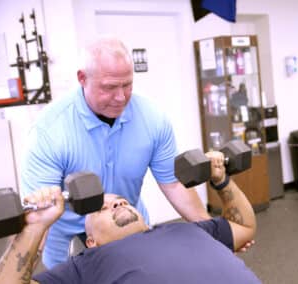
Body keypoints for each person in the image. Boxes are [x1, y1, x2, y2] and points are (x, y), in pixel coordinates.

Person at [19, 36, 211, 268]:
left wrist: (214, 237)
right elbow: (40, 217)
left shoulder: (152, 118)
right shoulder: (48, 131)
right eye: (109, 87)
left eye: (127, 85)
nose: (121, 97)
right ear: (82, 78)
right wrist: (20, 271)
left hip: (131, 235)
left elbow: (173, 184)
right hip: (71, 249)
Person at [0, 152, 260, 284]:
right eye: (100, 208)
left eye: (121, 200)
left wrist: (221, 180)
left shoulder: (187, 230)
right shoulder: (85, 266)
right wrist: (33, 229)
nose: (115, 201)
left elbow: (245, 226)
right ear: (91, 241)